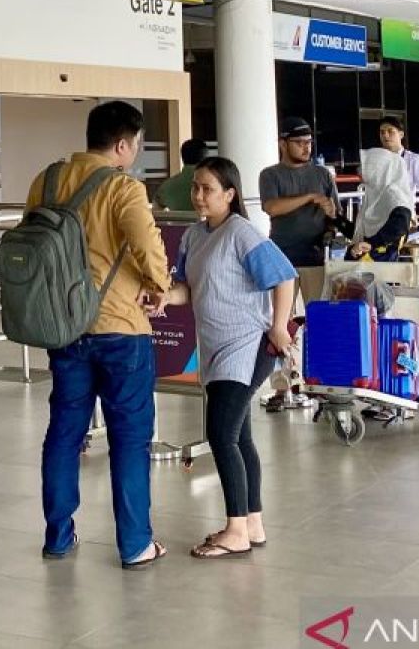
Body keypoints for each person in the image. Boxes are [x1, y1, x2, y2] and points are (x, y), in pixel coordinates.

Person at [25, 101, 171, 569]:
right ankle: (135, 544)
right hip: (121, 328)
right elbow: (148, 248)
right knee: (129, 437)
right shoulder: (123, 188)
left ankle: (58, 537)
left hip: (64, 327)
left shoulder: (46, 181)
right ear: (123, 145)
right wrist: (160, 286)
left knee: (65, 432)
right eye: (137, 144)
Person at [151, 157, 296, 558]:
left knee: (221, 434)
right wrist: (166, 297)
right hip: (215, 347)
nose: (198, 195)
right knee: (239, 435)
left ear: (229, 194)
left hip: (246, 345)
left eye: (208, 189)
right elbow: (188, 288)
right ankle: (251, 523)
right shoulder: (194, 235)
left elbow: (284, 276)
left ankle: (235, 531)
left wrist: (279, 325)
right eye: (195, 187)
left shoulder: (240, 233)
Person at [258, 117, 337, 411]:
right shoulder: (270, 175)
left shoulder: (322, 175)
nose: (306, 148)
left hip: (316, 257)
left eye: (309, 143)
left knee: (319, 321)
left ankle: (320, 381)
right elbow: (271, 207)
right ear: (283, 144)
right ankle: (282, 387)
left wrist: (330, 214)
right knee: (280, 324)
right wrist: (310, 197)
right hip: (282, 259)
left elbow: (334, 215)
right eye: (299, 143)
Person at [336, 148, 414, 262]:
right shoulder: (376, 196)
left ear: (380, 170)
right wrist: (335, 218)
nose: (361, 171)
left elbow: (399, 227)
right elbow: (360, 233)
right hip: (370, 264)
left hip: (380, 267)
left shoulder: (395, 198)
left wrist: (371, 244)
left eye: (367, 167)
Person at [379, 116, 419, 234]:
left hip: (405, 219)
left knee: (408, 245)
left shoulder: (413, 160)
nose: (385, 135)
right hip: (380, 220)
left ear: (401, 134)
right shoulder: (377, 161)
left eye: (390, 131)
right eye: (382, 132)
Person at [155, 138, 205, 211]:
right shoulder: (212, 185)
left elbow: (156, 209)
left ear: (183, 158)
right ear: (205, 159)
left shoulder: (166, 186)